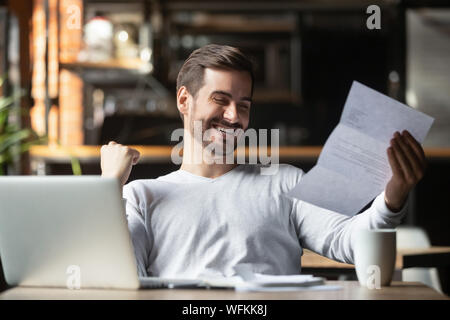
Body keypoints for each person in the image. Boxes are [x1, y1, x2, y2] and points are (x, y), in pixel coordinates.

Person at [100, 44, 427, 278]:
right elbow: (119, 280)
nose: (233, 116)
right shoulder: (141, 196)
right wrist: (109, 188)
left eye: (243, 104)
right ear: (184, 100)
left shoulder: (286, 182)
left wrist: (393, 195)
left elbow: (350, 243)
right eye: (221, 100)